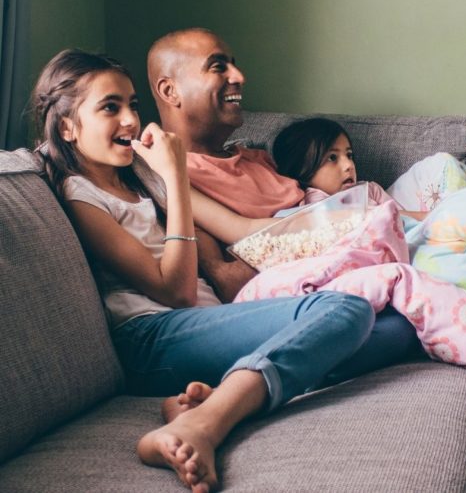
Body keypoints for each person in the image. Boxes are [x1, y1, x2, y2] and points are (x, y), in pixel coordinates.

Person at [32, 48, 377, 492]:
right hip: (152, 339)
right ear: (67, 126)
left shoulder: (137, 176)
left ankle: (214, 398)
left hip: (202, 327)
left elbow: (238, 234)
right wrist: (175, 177)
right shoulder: (81, 195)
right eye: (109, 108)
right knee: (345, 312)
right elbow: (175, 291)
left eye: (132, 105)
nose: (130, 121)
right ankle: (207, 424)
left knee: (393, 328)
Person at [146, 27, 422, 385]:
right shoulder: (174, 179)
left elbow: (319, 196)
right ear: (171, 91)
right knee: (400, 324)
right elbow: (229, 279)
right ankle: (266, 380)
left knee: (406, 322)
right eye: (218, 67)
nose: (239, 77)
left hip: (356, 253)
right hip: (304, 290)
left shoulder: (257, 157)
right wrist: (355, 220)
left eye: (234, 64)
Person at [271, 117, 426, 220]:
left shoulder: (370, 189)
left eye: (349, 155)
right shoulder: (314, 202)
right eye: (332, 158)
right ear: (301, 169)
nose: (349, 165)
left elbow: (401, 219)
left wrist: (428, 218)